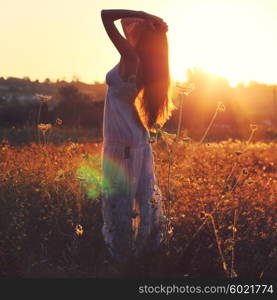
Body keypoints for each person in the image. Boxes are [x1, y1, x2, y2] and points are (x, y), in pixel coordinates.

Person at [100, 9, 176, 265]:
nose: (131, 27)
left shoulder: (130, 58)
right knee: (143, 201)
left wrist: (142, 13)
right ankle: (145, 255)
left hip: (122, 142)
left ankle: (124, 260)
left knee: (120, 203)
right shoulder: (147, 64)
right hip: (136, 139)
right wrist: (150, 23)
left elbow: (105, 15)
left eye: (137, 27)